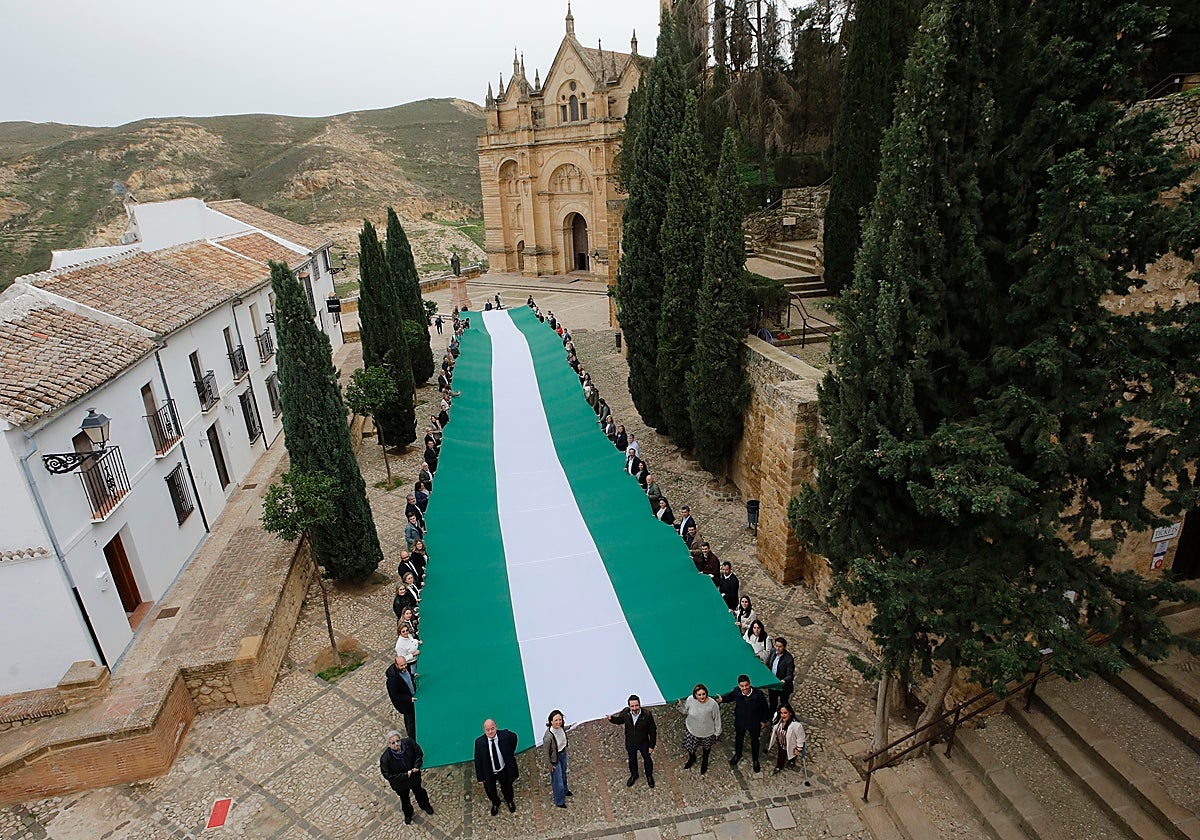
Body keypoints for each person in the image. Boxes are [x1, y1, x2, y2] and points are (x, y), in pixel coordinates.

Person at [380, 730, 435, 824]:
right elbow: (387, 775)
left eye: (398, 741)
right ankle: (408, 813)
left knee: (419, 792)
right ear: (389, 745)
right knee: (404, 799)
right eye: (393, 743)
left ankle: (425, 805)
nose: (396, 744)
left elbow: (418, 753)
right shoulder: (385, 759)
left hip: (414, 777)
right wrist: (405, 775)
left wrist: (416, 765)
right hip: (401, 784)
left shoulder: (409, 743)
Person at [722, 675, 771, 773]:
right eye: (742, 686)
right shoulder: (736, 691)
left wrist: (763, 720)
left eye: (746, 685)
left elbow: (764, 708)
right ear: (739, 686)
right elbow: (730, 697)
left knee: (755, 741)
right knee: (739, 738)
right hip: (740, 721)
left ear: (750, 684)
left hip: (754, 722)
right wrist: (722, 699)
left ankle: (755, 760)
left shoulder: (759, 694)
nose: (744, 688)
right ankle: (738, 754)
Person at [609, 694, 656, 788]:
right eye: (632, 706)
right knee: (632, 759)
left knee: (647, 760)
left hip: (644, 742)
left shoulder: (647, 715)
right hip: (630, 743)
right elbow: (619, 720)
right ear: (629, 706)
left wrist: (651, 746)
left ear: (640, 704)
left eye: (636, 705)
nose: (634, 708)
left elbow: (653, 731)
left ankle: (649, 775)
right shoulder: (625, 713)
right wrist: (611, 719)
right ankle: (634, 775)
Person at [474, 719, 519, 815]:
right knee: (490, 790)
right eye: (488, 730)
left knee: (507, 787)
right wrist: (480, 777)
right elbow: (478, 760)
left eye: (492, 728)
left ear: (496, 727)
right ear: (484, 730)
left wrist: (510, 753)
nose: (490, 732)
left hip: (503, 769)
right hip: (489, 772)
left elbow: (514, 738)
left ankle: (509, 800)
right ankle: (495, 803)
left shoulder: (505, 736)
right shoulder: (479, 742)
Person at [676, 684, 721, 774]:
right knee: (690, 748)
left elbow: (717, 718)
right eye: (699, 695)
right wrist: (680, 706)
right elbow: (685, 711)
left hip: (707, 732)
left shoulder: (712, 704)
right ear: (695, 695)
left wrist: (717, 732)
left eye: (703, 694)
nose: (702, 696)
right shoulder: (690, 700)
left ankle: (705, 762)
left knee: (706, 749)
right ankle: (692, 758)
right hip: (692, 731)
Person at [543, 709, 573, 808]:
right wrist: (549, 765)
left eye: (560, 720)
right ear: (551, 722)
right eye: (556, 720)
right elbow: (546, 753)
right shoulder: (548, 737)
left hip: (563, 753)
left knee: (563, 774)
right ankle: (559, 801)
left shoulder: (561, 728)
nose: (558, 722)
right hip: (554, 759)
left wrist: (571, 726)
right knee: (557, 780)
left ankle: (565, 790)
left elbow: (563, 729)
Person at [767, 702, 806, 774]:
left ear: (790, 713)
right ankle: (779, 766)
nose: (783, 715)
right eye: (781, 713)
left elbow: (801, 738)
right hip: (781, 743)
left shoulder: (796, 725)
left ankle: (791, 761)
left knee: (792, 754)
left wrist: (798, 749)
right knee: (781, 755)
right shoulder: (777, 718)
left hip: (792, 745)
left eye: (785, 713)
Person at [386, 655, 417, 738]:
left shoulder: (406, 669)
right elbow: (395, 696)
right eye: (401, 665)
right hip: (406, 704)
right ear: (396, 665)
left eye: (405, 664)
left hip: (412, 698)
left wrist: (413, 676)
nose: (404, 667)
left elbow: (408, 678)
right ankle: (412, 738)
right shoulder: (392, 680)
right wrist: (409, 699)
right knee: (410, 721)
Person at [766, 637, 796, 713]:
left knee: (784, 703)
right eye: (776, 646)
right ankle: (772, 713)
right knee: (772, 701)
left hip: (783, 687)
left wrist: (784, 680)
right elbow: (768, 663)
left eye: (780, 647)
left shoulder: (789, 659)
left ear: (784, 647)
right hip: (773, 683)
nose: (777, 648)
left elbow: (790, 675)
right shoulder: (773, 651)